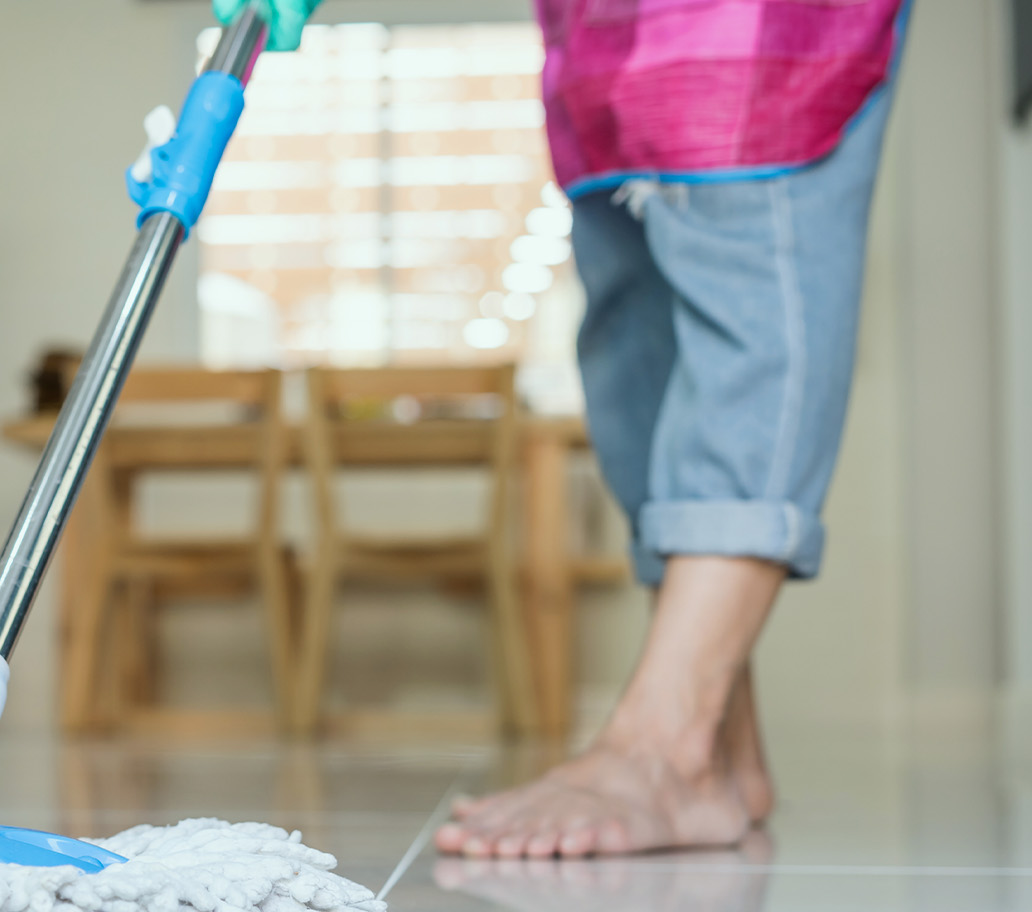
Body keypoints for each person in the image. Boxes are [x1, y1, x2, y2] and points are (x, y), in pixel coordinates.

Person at [218, 0, 910, 857]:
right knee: (636, 349)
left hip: (750, 31)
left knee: (748, 293)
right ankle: (725, 750)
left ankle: (668, 746)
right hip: (598, 43)